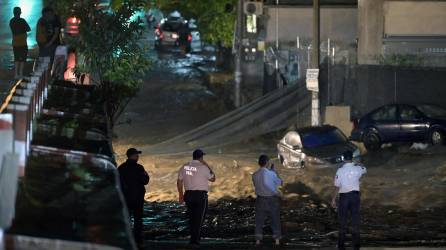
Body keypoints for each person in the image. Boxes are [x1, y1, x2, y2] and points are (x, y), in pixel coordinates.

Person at [177, 149, 216, 245]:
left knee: (192, 218)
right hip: (200, 196)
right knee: (199, 218)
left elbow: (179, 182)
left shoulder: (185, 167)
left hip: (188, 195)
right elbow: (213, 179)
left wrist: (181, 195)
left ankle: (193, 238)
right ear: (201, 157)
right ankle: (195, 240)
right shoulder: (203, 167)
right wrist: (206, 164)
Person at [331, 151, 367, 250]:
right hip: (355, 197)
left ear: (343, 158)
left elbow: (336, 187)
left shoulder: (340, 170)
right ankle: (356, 244)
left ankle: (341, 244)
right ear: (352, 158)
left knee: (343, 221)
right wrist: (358, 162)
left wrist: (333, 199)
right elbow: (365, 169)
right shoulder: (358, 168)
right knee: (355, 220)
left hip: (344, 198)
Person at [118, 148, 150, 248]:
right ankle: (138, 241)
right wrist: (146, 175)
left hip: (125, 198)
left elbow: (117, 183)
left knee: (126, 219)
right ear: (132, 155)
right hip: (137, 199)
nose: (138, 156)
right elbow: (145, 181)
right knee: (138, 220)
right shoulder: (139, 168)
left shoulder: (121, 168)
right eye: (136, 155)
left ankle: (126, 239)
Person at [252, 154, 283, 246]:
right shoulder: (271, 173)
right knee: (275, 220)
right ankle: (277, 240)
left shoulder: (254, 175)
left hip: (260, 199)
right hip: (272, 199)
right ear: (267, 163)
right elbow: (280, 183)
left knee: (259, 221)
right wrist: (275, 173)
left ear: (259, 163)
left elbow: (258, 184)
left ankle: (258, 240)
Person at [9, 7, 31, 80]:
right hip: (23, 43)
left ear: (13, 13)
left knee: (16, 59)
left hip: (15, 43)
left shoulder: (11, 21)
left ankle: (16, 74)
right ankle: (20, 74)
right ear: (20, 13)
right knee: (22, 59)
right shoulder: (22, 20)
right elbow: (28, 29)